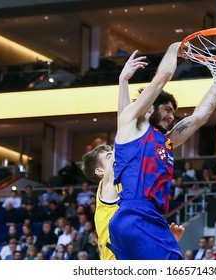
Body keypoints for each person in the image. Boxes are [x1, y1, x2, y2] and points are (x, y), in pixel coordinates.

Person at [110, 41, 216, 260]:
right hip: (138, 215)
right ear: (150, 107)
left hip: (132, 221)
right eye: (167, 110)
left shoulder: (165, 140)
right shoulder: (132, 125)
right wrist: (175, 47)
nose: (172, 116)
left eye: (173, 113)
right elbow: (163, 76)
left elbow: (200, 117)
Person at [81, 50, 184, 260]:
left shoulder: (120, 183)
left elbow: (124, 127)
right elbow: (124, 123)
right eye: (110, 156)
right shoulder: (107, 184)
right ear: (100, 171)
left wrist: (123, 83)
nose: (116, 154)